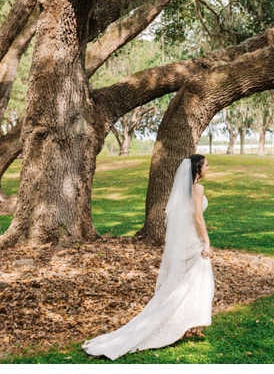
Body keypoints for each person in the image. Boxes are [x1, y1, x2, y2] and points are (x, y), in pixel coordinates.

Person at [83, 154, 214, 360]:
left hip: (185, 240)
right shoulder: (198, 189)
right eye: (206, 165)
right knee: (198, 281)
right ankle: (185, 323)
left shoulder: (182, 190)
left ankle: (191, 325)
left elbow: (178, 215)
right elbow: (197, 217)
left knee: (185, 283)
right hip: (193, 240)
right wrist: (206, 242)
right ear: (198, 168)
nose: (208, 168)